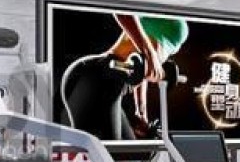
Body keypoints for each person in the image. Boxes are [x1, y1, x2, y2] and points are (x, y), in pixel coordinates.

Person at [60, 13, 187, 141]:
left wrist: (141, 111)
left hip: (115, 83)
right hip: (99, 76)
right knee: (108, 152)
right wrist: (149, 53)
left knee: (130, 150)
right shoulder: (163, 4)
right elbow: (123, 12)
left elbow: (143, 70)